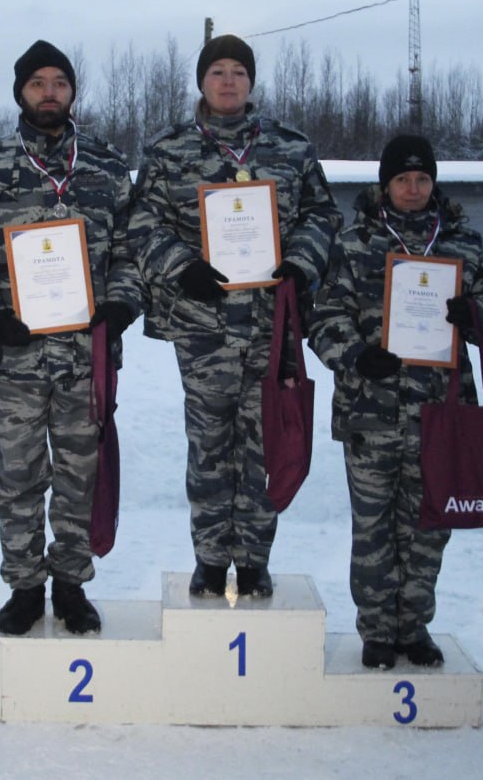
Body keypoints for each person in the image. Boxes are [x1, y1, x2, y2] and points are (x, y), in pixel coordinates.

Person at [0, 40, 143, 637]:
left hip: (87, 356)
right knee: (19, 475)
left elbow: (133, 247)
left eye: (60, 82)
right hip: (13, 358)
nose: (49, 91)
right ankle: (25, 584)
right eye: (37, 83)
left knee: (82, 473)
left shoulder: (105, 166)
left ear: (73, 92)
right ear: (21, 93)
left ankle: (72, 583)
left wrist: (123, 301)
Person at [128, 34, 341, 599]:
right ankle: (209, 557)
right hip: (203, 325)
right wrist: (181, 266)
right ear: (202, 81)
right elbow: (141, 221)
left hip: (273, 325)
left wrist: (301, 262)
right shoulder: (169, 149)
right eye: (217, 70)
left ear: (251, 82)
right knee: (209, 447)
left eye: (238, 71)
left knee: (263, 445)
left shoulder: (290, 148)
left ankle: (253, 559)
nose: (228, 80)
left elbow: (322, 213)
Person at [308, 135, 483, 670]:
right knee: (373, 527)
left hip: (441, 414)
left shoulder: (462, 243)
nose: (413, 189)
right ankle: (376, 630)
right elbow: (323, 319)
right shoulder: (353, 244)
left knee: (427, 526)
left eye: (422, 179)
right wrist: (356, 355)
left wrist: (476, 314)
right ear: (385, 185)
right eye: (402, 179)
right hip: (370, 413)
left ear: (433, 182)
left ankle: (414, 625)